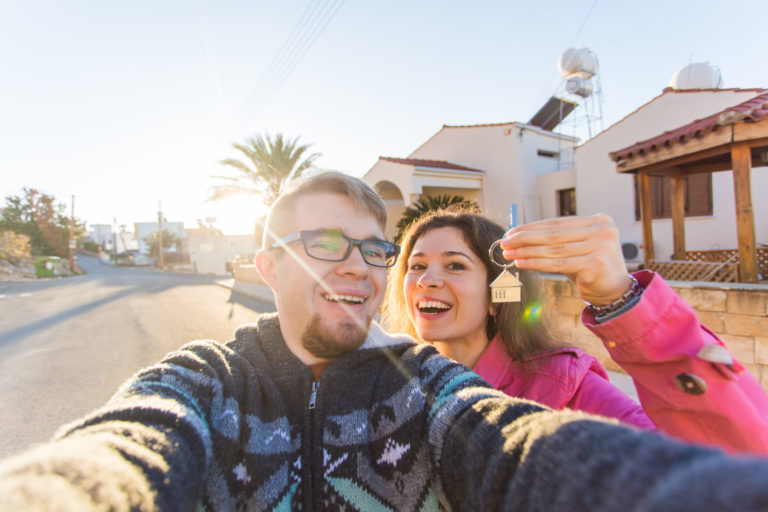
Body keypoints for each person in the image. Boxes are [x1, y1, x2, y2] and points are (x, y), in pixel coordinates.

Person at [2, 171, 768, 512]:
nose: (374, 268)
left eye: (375, 250)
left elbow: (519, 444)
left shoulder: (452, 389)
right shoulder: (212, 379)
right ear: (268, 266)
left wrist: (629, 302)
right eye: (413, 263)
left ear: (497, 285)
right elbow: (130, 448)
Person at [382, 209, 768, 453]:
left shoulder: (562, 386)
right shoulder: (389, 381)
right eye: (416, 266)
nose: (427, 280)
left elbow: (728, 464)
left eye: (455, 266)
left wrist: (622, 298)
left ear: (497, 296)